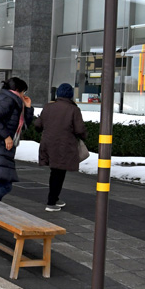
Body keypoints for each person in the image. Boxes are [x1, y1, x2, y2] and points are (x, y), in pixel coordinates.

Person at [34, 83, 87, 212]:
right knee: (58, 173)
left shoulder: (48, 107)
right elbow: (80, 129)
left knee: (55, 172)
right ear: (70, 95)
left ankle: (55, 198)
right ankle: (51, 202)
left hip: (48, 144)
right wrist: (84, 137)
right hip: (64, 145)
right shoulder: (73, 109)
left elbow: (37, 125)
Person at [0, 77, 34, 201]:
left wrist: (28, 108)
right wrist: (7, 137)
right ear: (18, 90)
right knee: (5, 186)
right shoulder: (9, 101)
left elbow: (24, 125)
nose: (24, 95)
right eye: (23, 92)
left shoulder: (8, 100)